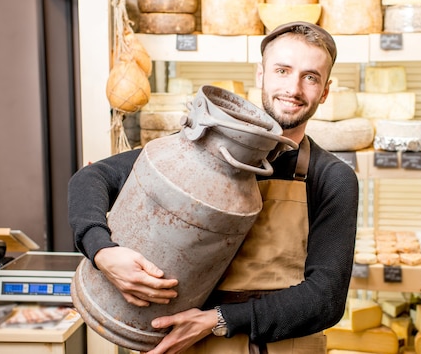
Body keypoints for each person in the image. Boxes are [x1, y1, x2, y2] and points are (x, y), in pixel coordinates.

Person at [68, 21, 359, 354]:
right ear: (261, 76)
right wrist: (102, 251)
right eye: (282, 70)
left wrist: (217, 319)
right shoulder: (200, 151)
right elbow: (91, 178)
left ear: (325, 91)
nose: (293, 88)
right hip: (186, 345)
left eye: (310, 77)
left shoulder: (331, 177)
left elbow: (326, 298)